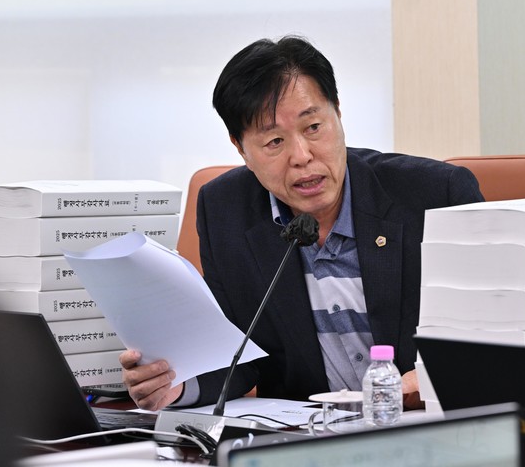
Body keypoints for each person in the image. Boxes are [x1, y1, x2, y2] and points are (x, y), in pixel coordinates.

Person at [120, 35, 484, 412]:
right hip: (304, 433)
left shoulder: (435, 196)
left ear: (338, 113)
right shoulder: (225, 210)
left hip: (430, 423)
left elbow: (500, 329)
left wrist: (435, 375)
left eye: (313, 127)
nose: (302, 156)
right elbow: (238, 355)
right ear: (240, 148)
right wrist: (175, 385)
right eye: (274, 141)